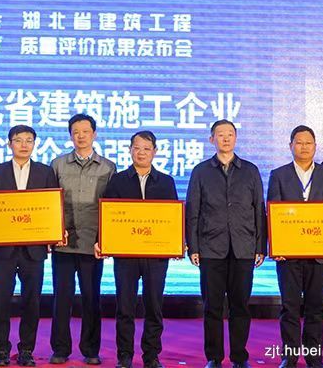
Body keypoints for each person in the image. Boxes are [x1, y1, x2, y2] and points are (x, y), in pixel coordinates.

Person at [0, 125, 58, 367]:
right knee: (1, 301)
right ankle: (1, 350)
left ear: (35, 144)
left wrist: (53, 233)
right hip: (3, 248)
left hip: (34, 249)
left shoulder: (45, 172)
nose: (24, 145)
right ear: (9, 143)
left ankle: (26, 350)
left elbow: (52, 207)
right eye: (18, 140)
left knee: (31, 302)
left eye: (29, 140)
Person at [186, 119, 266, 368]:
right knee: (212, 306)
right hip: (211, 247)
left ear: (236, 137)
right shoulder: (201, 171)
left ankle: (240, 357)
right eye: (220, 134)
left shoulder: (250, 170)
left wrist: (260, 246)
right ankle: (214, 357)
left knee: (240, 306)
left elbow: (259, 210)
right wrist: (193, 246)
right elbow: (193, 211)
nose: (226, 138)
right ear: (212, 139)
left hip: (243, 247)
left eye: (230, 134)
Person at [100, 131, 178, 368]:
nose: (141, 153)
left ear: (155, 152)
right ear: (129, 150)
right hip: (126, 256)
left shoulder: (166, 182)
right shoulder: (118, 181)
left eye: (146, 148)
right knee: (125, 307)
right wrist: (103, 241)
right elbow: (109, 216)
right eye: (137, 148)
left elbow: (173, 218)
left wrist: (177, 242)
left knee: (154, 307)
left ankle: (151, 356)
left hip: (156, 256)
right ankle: (124, 356)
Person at [267, 125, 323, 368]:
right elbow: (273, 213)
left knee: (315, 309)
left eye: (308, 143)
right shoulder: (278, 175)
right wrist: (276, 246)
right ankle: (289, 357)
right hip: (288, 255)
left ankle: (313, 358)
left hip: (319, 255)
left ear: (315, 146)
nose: (304, 147)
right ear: (290, 146)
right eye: (299, 143)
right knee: (289, 308)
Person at [48, 114, 115, 366]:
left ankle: (90, 350)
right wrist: (53, 232)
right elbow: (49, 203)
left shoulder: (108, 167)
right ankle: (60, 349)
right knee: (61, 298)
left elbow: (111, 207)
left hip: (92, 244)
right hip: (63, 243)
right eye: (76, 132)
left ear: (94, 134)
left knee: (91, 298)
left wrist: (105, 240)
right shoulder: (57, 164)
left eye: (86, 131)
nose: (81, 136)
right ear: (70, 135)